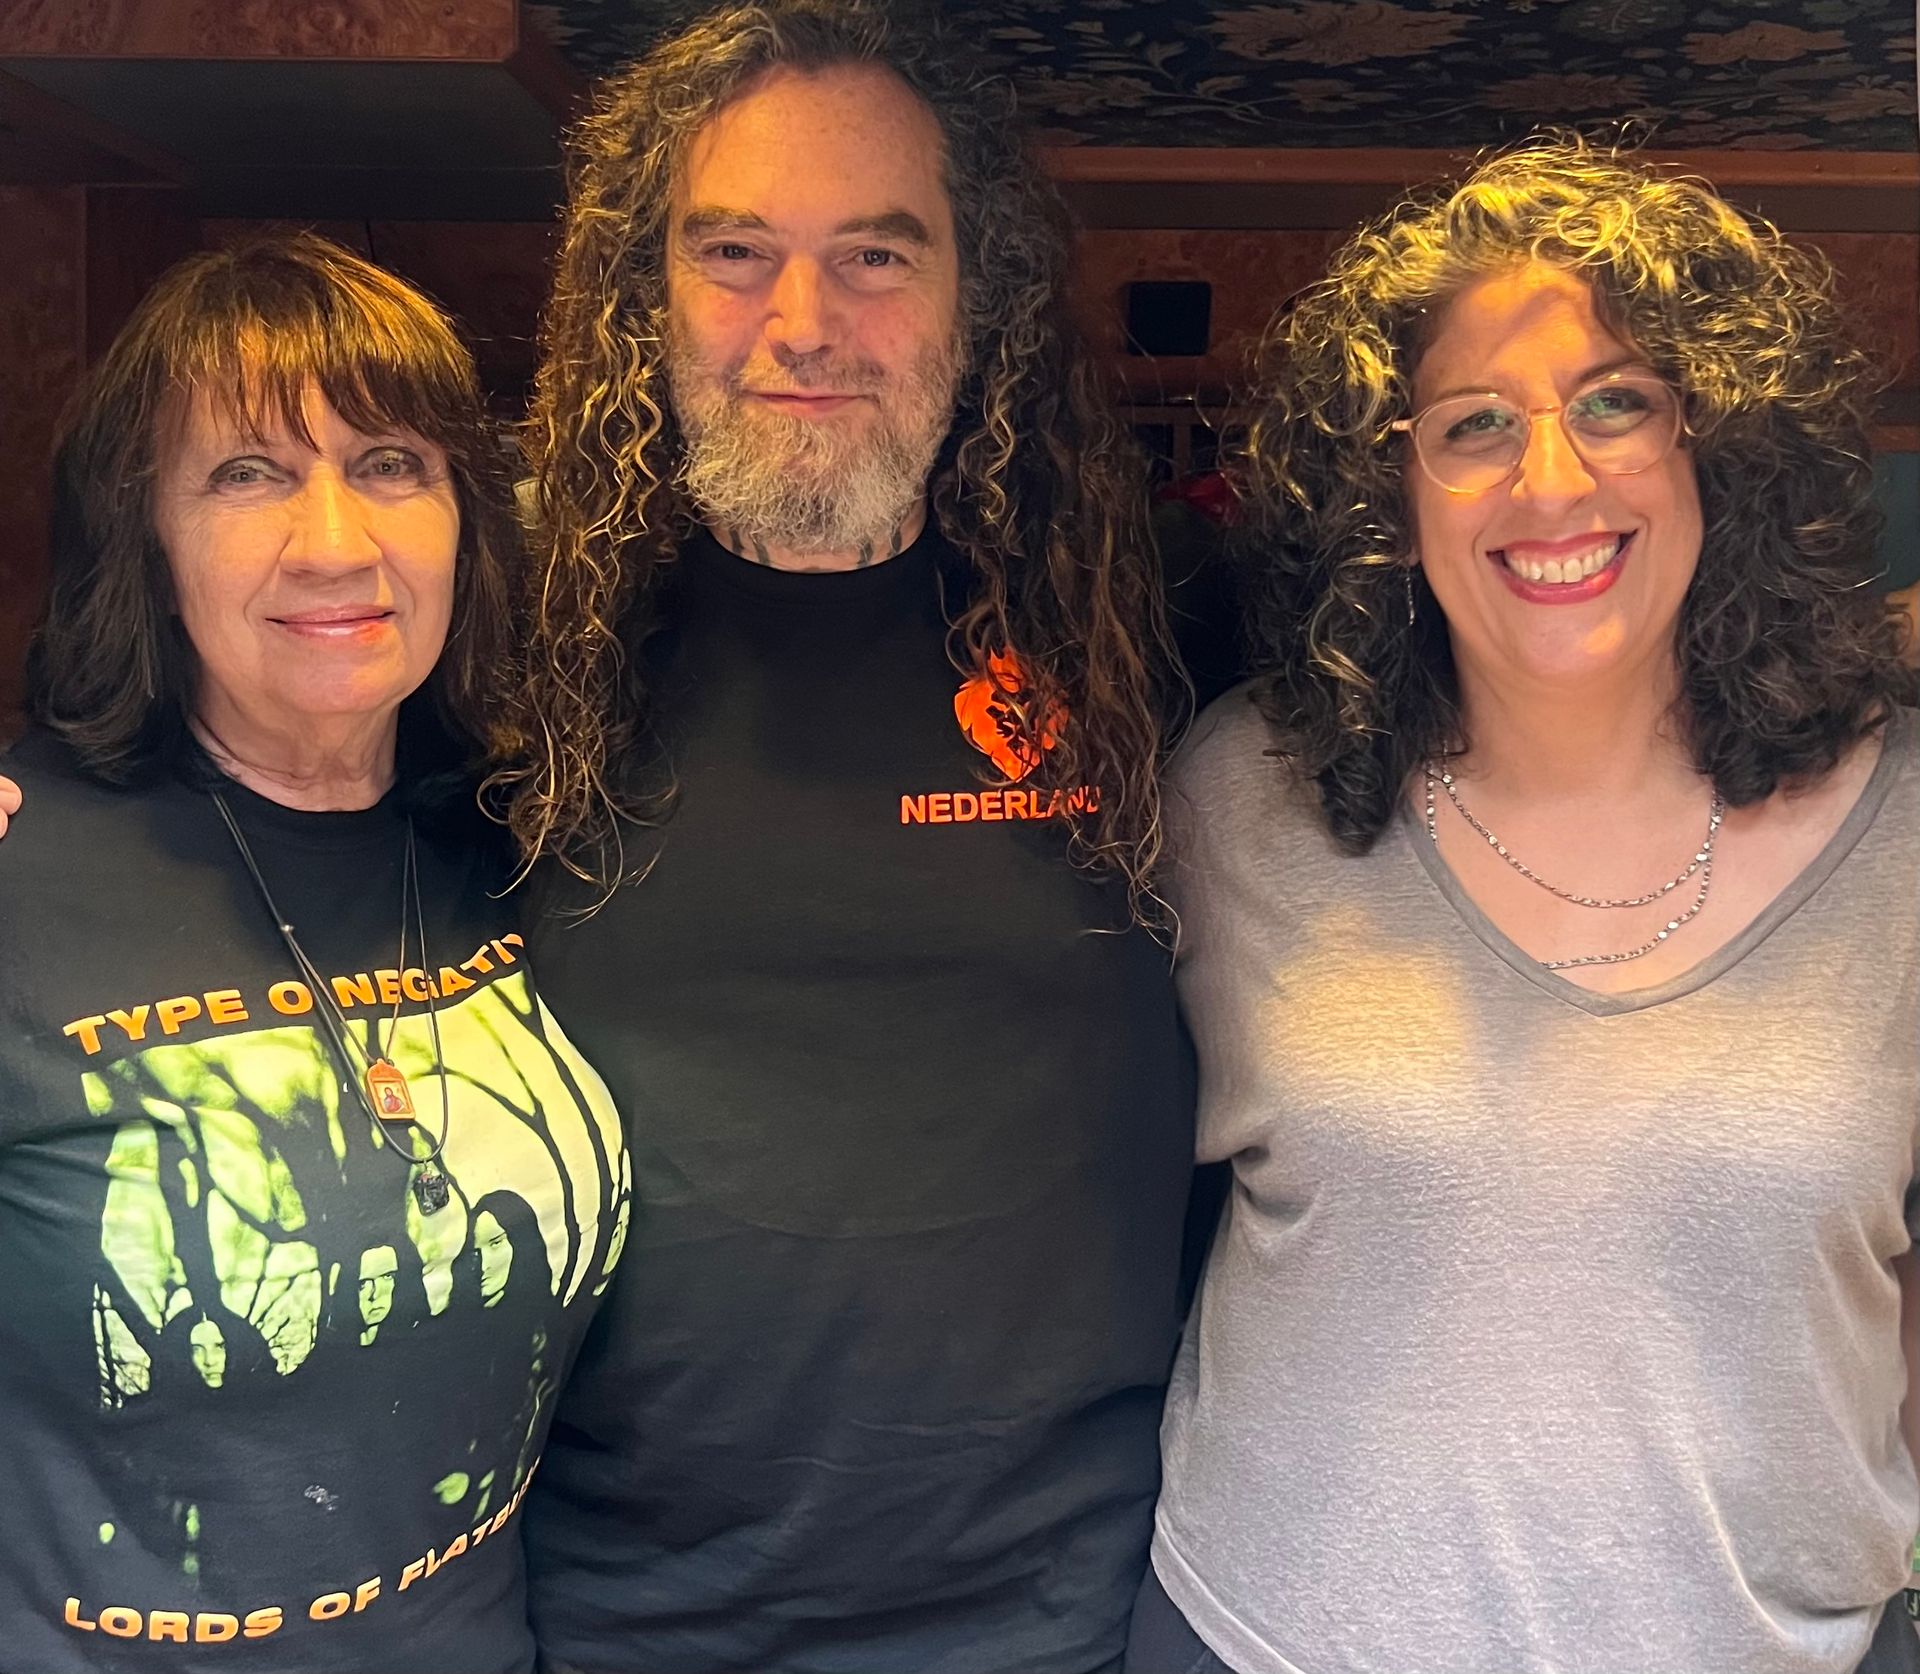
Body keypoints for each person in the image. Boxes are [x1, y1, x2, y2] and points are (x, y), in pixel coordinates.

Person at [1129, 137, 1920, 1674]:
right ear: (1390, 490)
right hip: (1267, 1639)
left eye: (1617, 401)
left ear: (1720, 442)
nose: (1550, 478)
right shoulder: (1240, 797)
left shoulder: (1901, 829)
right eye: (1473, 423)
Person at [486, 4, 1196, 1671]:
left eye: (875, 255)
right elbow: (245, 807)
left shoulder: (1157, 630)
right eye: (734, 251)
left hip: (1058, 1625)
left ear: (975, 293)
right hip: (619, 1624)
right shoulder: (505, 661)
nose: (802, 324)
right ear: (647, 292)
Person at [0, 232, 629, 1672]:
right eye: (247, 474)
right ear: (145, 540)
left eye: (392, 462)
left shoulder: (523, 846)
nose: (336, 540)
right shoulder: (22, 871)